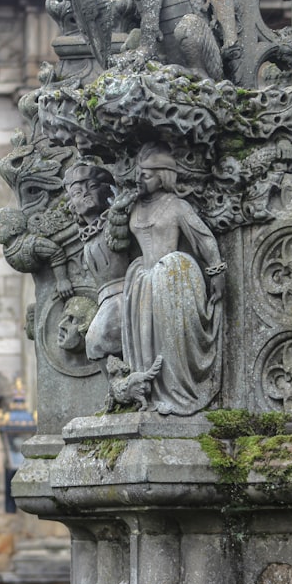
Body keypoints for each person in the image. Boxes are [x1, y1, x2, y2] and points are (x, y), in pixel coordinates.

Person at [108, 141, 226, 415]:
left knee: (170, 344)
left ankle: (175, 392)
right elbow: (119, 243)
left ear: (163, 176)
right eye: (138, 173)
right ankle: (149, 392)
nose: (139, 179)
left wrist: (217, 270)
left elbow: (203, 239)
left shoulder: (177, 207)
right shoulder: (135, 207)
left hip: (173, 278)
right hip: (141, 282)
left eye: (146, 174)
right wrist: (117, 212)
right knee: (145, 342)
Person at [63, 162, 133, 361]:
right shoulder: (88, 236)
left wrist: (118, 211)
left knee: (96, 344)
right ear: (72, 204)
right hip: (106, 299)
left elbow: (121, 239)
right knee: (95, 345)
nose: (85, 193)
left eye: (92, 187)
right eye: (77, 192)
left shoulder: (112, 221)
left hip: (124, 296)